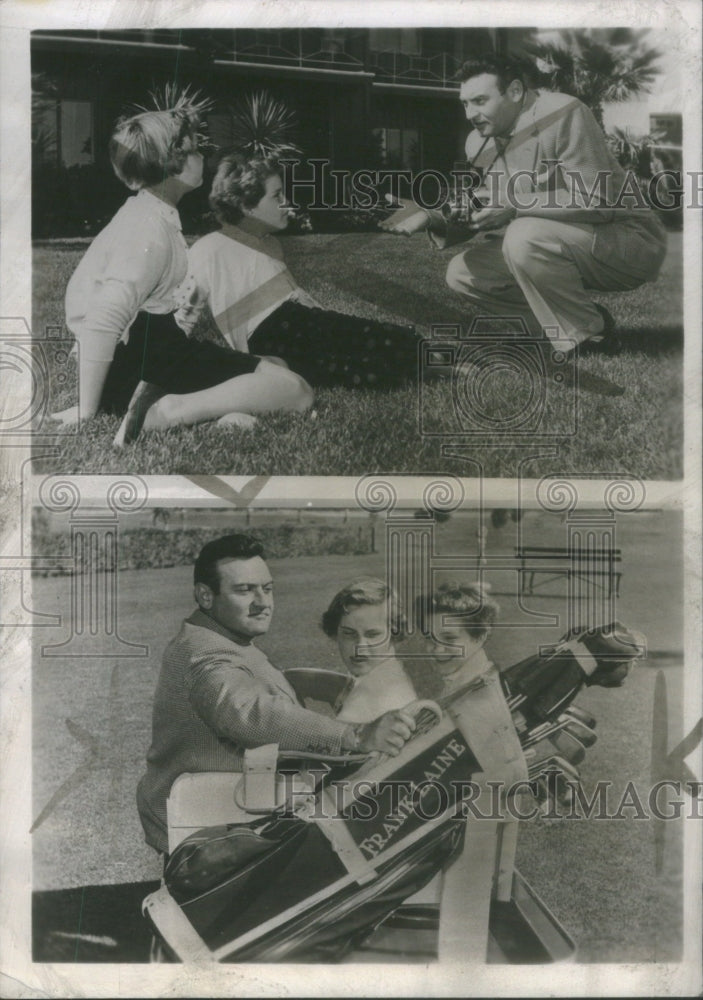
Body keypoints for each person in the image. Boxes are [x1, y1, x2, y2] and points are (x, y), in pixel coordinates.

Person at [52, 90, 312, 447]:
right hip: (137, 363)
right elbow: (103, 319)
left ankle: (208, 412)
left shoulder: (151, 213)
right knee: (296, 391)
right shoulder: (147, 229)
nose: (202, 156)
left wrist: (178, 307)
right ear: (171, 161)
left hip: (156, 346)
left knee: (277, 365)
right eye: (193, 149)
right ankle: (167, 411)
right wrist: (86, 410)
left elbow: (146, 304)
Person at [136, 535, 416, 855]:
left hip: (219, 802)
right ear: (205, 595)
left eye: (266, 589)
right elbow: (249, 713)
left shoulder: (216, 635)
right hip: (213, 823)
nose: (262, 602)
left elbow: (249, 683)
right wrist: (355, 734)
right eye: (244, 590)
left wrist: (307, 682)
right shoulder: (206, 658)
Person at [381, 54, 667, 355]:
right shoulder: (479, 141)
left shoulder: (563, 112)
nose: (469, 113)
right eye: (465, 103)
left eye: (479, 100)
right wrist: (429, 217)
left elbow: (598, 203)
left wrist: (514, 205)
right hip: (567, 242)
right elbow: (482, 207)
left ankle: (591, 335)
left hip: (629, 241)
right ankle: (581, 320)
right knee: (463, 274)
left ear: (515, 92)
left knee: (523, 234)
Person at [178, 152, 423, 390]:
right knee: (379, 348)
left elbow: (294, 296)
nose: (287, 203)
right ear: (247, 206)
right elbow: (183, 316)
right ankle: (441, 363)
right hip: (272, 336)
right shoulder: (209, 248)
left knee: (379, 345)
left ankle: (442, 364)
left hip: (298, 327)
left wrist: (330, 316)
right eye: (277, 196)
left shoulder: (270, 244)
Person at [320, 577, 422, 722]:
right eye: (349, 634)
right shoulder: (397, 671)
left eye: (373, 635)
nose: (360, 647)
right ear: (335, 633)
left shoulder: (375, 698)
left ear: (394, 632)